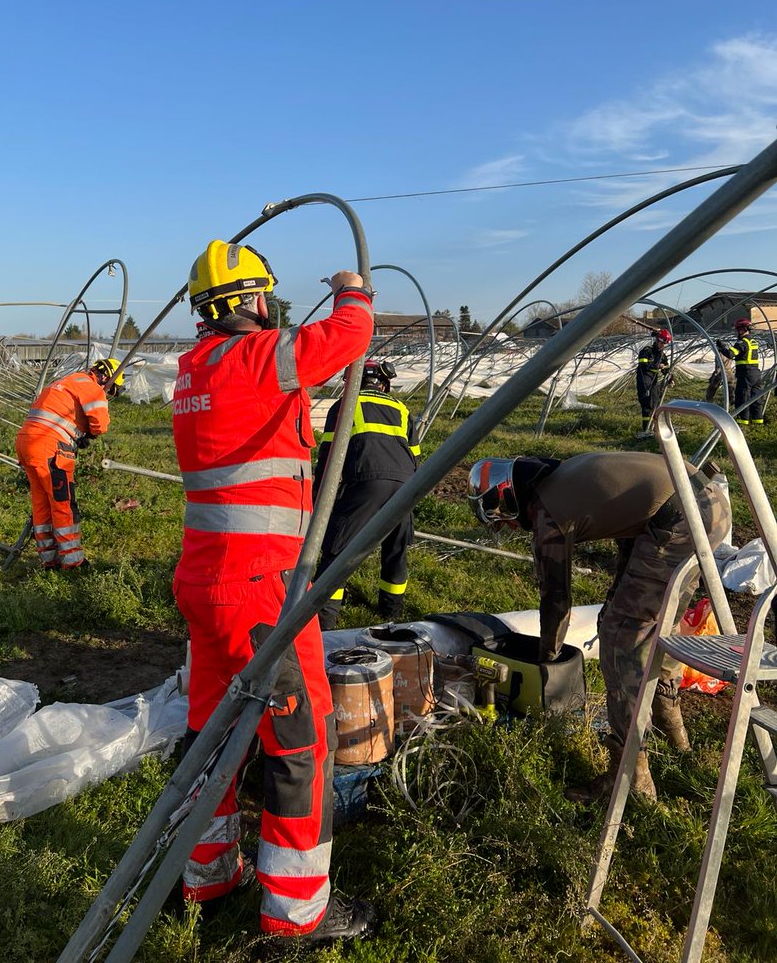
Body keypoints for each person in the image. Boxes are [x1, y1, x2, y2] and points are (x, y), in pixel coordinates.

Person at [171, 239, 377, 943]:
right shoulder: (257, 359)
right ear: (250, 302)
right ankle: (297, 914)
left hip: (204, 582)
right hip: (260, 590)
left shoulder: (193, 371)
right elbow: (350, 333)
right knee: (298, 742)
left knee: (210, 730)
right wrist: (352, 287)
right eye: (266, 297)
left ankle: (205, 875)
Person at [467, 451, 731, 803]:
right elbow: (632, 514)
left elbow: (556, 598)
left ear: (509, 500)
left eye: (503, 520)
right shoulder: (566, 476)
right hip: (705, 502)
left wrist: (549, 654)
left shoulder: (549, 515)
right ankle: (672, 725)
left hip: (681, 517)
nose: (508, 527)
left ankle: (629, 777)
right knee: (658, 620)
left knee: (622, 635)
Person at [313, 358, 420, 630]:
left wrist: (318, 501)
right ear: (384, 384)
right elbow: (415, 456)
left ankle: (324, 620)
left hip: (366, 482)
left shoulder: (345, 406)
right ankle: (390, 613)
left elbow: (327, 458)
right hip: (406, 485)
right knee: (395, 551)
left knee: (337, 550)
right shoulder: (401, 408)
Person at [14, 358, 122, 569]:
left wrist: (77, 432)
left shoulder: (69, 380)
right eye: (111, 390)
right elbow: (100, 425)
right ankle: (73, 562)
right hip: (49, 447)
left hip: (27, 442)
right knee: (63, 503)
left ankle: (49, 559)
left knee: (42, 502)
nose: (109, 395)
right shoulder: (92, 387)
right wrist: (88, 432)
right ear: (106, 379)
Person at [717, 317, 763, 427]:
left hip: (746, 374)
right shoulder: (753, 341)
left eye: (739, 330)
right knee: (755, 398)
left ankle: (742, 423)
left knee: (742, 397)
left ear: (743, 329)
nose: (738, 332)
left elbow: (730, 355)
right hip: (756, 374)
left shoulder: (742, 342)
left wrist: (722, 347)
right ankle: (758, 422)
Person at [635, 327, 672, 436]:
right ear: (657, 340)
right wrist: (657, 366)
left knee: (656, 402)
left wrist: (670, 379)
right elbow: (643, 365)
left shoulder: (662, 354)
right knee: (647, 404)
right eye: (662, 343)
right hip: (644, 380)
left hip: (654, 381)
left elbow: (666, 368)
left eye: (665, 344)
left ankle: (655, 427)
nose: (663, 346)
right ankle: (646, 428)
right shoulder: (646, 351)